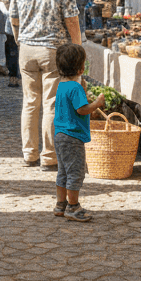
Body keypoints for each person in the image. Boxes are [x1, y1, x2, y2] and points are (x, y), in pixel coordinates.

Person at [10, 0, 82, 171]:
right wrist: (77, 48)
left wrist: (20, 40)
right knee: (51, 103)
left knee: (30, 102)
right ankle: (49, 156)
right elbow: (72, 21)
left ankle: (29, 153)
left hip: (27, 49)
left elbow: (14, 19)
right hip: (52, 49)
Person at [51, 43, 106, 222]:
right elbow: (82, 109)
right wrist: (97, 104)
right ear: (81, 68)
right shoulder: (75, 88)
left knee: (63, 171)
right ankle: (73, 207)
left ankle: (61, 204)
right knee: (76, 172)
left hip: (60, 135)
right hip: (72, 136)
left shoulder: (62, 85)